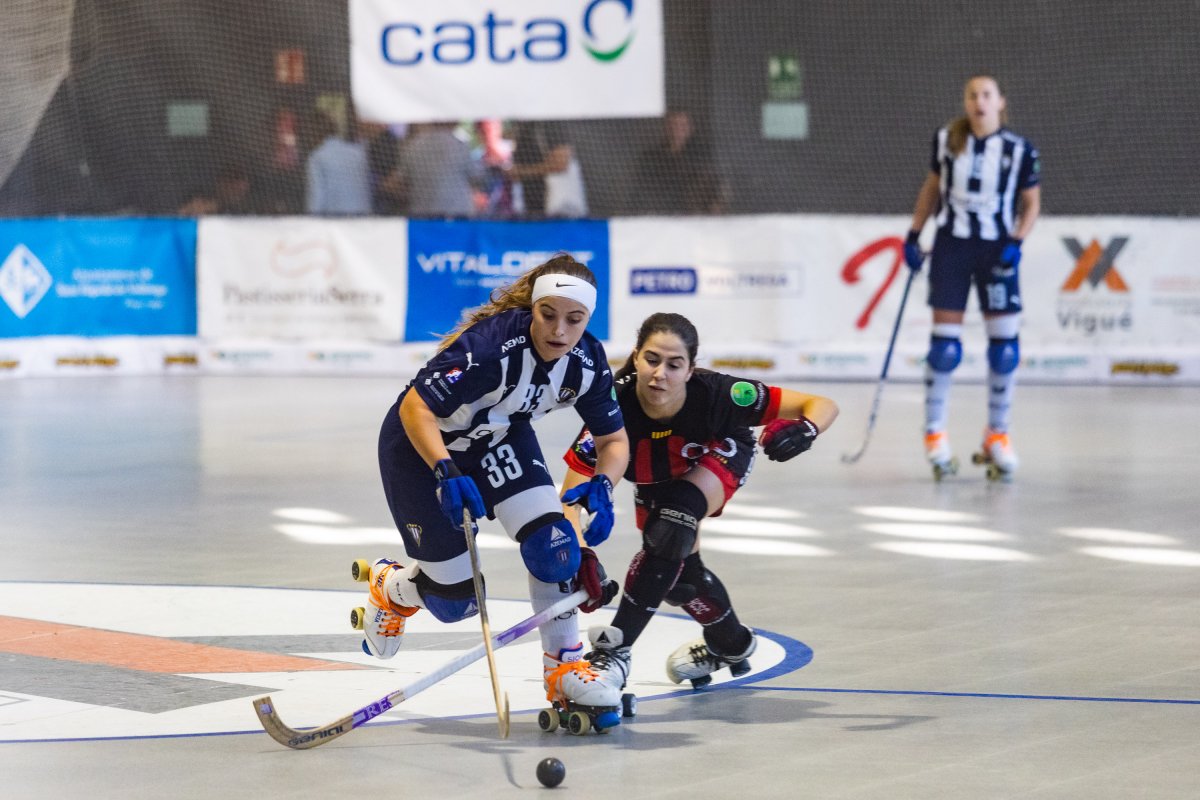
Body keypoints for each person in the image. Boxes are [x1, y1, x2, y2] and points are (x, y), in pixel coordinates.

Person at [363, 253, 631, 715]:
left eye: (575, 320)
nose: (559, 331)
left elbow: (614, 440)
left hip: (499, 441)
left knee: (556, 547)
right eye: (548, 315)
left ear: (588, 319)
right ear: (533, 309)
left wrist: (604, 485)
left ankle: (563, 670)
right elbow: (415, 408)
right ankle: (393, 587)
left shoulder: (587, 361)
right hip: (420, 448)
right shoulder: (490, 347)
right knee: (456, 604)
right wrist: (445, 469)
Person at [558, 312, 838, 695]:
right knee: (680, 577)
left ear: (691, 370)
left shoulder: (721, 393)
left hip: (718, 453)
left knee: (670, 529)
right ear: (636, 357)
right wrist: (582, 554)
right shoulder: (611, 404)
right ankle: (731, 643)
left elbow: (821, 404)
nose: (661, 374)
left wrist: (806, 429)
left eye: (675, 365)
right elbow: (570, 499)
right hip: (655, 472)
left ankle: (615, 653)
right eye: (652, 360)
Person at [903, 75, 1041, 481]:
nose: (979, 102)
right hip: (953, 248)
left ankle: (997, 434)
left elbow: (1031, 204)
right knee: (944, 348)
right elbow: (932, 189)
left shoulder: (1019, 150)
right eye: (972, 95)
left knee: (1005, 349)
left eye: (986, 95)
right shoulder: (947, 139)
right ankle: (935, 432)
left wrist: (1017, 240)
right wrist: (914, 234)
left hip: (996, 248)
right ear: (965, 102)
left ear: (1000, 102)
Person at [628, 110, 724, 215]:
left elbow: (717, 188)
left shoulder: (701, 156)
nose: (677, 130)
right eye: (673, 125)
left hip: (694, 217)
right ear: (666, 127)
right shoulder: (650, 157)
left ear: (690, 128)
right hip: (660, 215)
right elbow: (639, 191)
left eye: (682, 125)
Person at [391, 122, 484, 218]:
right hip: (456, 213)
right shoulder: (460, 145)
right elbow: (476, 175)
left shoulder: (414, 145)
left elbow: (397, 182)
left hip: (422, 214)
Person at [508, 121, 588, 218]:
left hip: (557, 209)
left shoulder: (551, 123)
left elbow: (561, 164)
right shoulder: (524, 126)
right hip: (533, 209)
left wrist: (522, 172)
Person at [304, 111, 372, 215]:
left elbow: (316, 199)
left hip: (337, 223)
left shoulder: (317, 158)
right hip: (365, 220)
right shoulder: (358, 153)